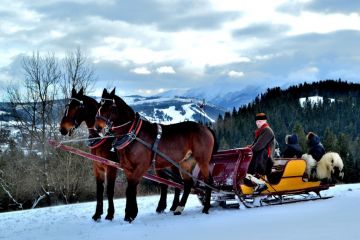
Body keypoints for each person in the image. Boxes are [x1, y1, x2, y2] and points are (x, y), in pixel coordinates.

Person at [246, 113, 275, 195]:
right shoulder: (262, 131)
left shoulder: (267, 130)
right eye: (257, 121)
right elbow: (254, 145)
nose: (258, 123)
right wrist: (249, 147)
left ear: (265, 121)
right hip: (260, 159)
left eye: (260, 121)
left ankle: (261, 184)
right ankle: (253, 184)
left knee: (246, 170)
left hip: (264, 161)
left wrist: (249, 150)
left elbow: (258, 146)